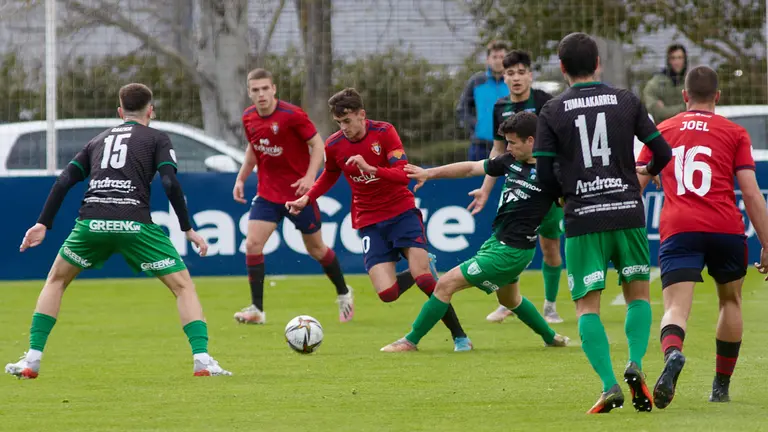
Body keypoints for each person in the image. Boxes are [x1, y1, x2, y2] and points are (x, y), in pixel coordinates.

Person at [5, 83, 231, 378]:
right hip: (134, 222)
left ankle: (32, 360)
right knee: (183, 286)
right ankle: (202, 359)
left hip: (92, 222)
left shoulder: (97, 140)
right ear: (151, 110)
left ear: (120, 111)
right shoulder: (157, 138)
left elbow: (63, 181)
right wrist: (187, 228)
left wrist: (42, 223)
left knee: (56, 281)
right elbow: (170, 183)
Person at [533, 32, 672, 414]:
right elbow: (662, 151)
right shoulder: (626, 100)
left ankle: (610, 385)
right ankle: (636, 365)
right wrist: (642, 175)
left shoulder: (553, 110)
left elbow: (544, 173)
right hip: (627, 212)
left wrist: (564, 194)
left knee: (587, 309)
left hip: (583, 219)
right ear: (598, 63)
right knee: (638, 297)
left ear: (562, 68)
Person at [286, 88, 472, 352]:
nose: (344, 127)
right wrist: (307, 198)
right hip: (369, 221)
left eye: (348, 120)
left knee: (424, 281)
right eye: (339, 122)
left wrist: (372, 168)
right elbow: (329, 175)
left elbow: (402, 174)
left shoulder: (384, 133)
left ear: (362, 114)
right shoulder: (334, 144)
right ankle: (425, 267)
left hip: (401, 213)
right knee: (387, 294)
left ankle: (460, 337)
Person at [379, 112, 569, 353]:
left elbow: (572, 201)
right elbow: (470, 168)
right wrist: (429, 173)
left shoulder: (553, 173)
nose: (507, 147)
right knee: (510, 300)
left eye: (512, 142)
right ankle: (550, 337)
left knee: (445, 285)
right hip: (499, 244)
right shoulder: (510, 160)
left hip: (510, 252)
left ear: (531, 141)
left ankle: (409, 341)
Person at [636, 66, 768, 408]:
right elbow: (752, 194)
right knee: (730, 302)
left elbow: (635, 185)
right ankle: (720, 386)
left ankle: (674, 353)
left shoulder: (662, 130)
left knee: (676, 307)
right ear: (718, 97)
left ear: (684, 97)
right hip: (725, 228)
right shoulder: (735, 133)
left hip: (680, 227)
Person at [233, 68, 353, 325]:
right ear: (249, 92)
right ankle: (257, 309)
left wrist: (310, 179)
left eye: (265, 88)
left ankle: (344, 293)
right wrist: (241, 178)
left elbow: (318, 145)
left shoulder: (292, 115)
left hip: (299, 195)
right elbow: (254, 150)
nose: (261, 94)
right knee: (253, 244)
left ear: (274, 89)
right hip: (267, 194)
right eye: (255, 90)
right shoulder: (248, 117)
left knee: (317, 249)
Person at [476, 49, 565, 325]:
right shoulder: (499, 107)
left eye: (521, 72)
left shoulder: (546, 102)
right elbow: (497, 150)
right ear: (504, 78)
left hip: (545, 187)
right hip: (515, 185)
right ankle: (508, 303)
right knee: (508, 240)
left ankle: (550, 305)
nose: (516, 78)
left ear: (530, 75)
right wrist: (485, 188)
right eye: (510, 73)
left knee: (549, 247)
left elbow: (560, 142)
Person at [456, 40, 510, 161]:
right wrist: (475, 126)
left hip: (509, 146)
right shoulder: (476, 81)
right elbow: (462, 109)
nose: (497, 60)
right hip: (480, 146)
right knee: (477, 179)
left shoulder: (513, 82)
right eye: (494, 57)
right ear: (487, 59)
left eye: (502, 57)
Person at [643, 44, 688, 124]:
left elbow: (695, 110)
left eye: (680, 58)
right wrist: (683, 108)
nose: (676, 62)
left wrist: (666, 110)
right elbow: (657, 112)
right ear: (668, 60)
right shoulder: (655, 83)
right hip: (663, 131)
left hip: (685, 130)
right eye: (673, 58)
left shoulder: (690, 83)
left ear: (685, 60)